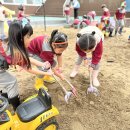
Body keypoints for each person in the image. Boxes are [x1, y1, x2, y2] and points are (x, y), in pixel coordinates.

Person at [0, 20, 52, 110]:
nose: (30, 39)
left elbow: (26, 59)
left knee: (6, 82)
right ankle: (17, 106)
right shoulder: (15, 52)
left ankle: (6, 98)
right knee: (12, 82)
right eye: (28, 37)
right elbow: (29, 68)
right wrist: (47, 74)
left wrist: (42, 63)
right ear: (20, 38)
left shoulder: (11, 44)